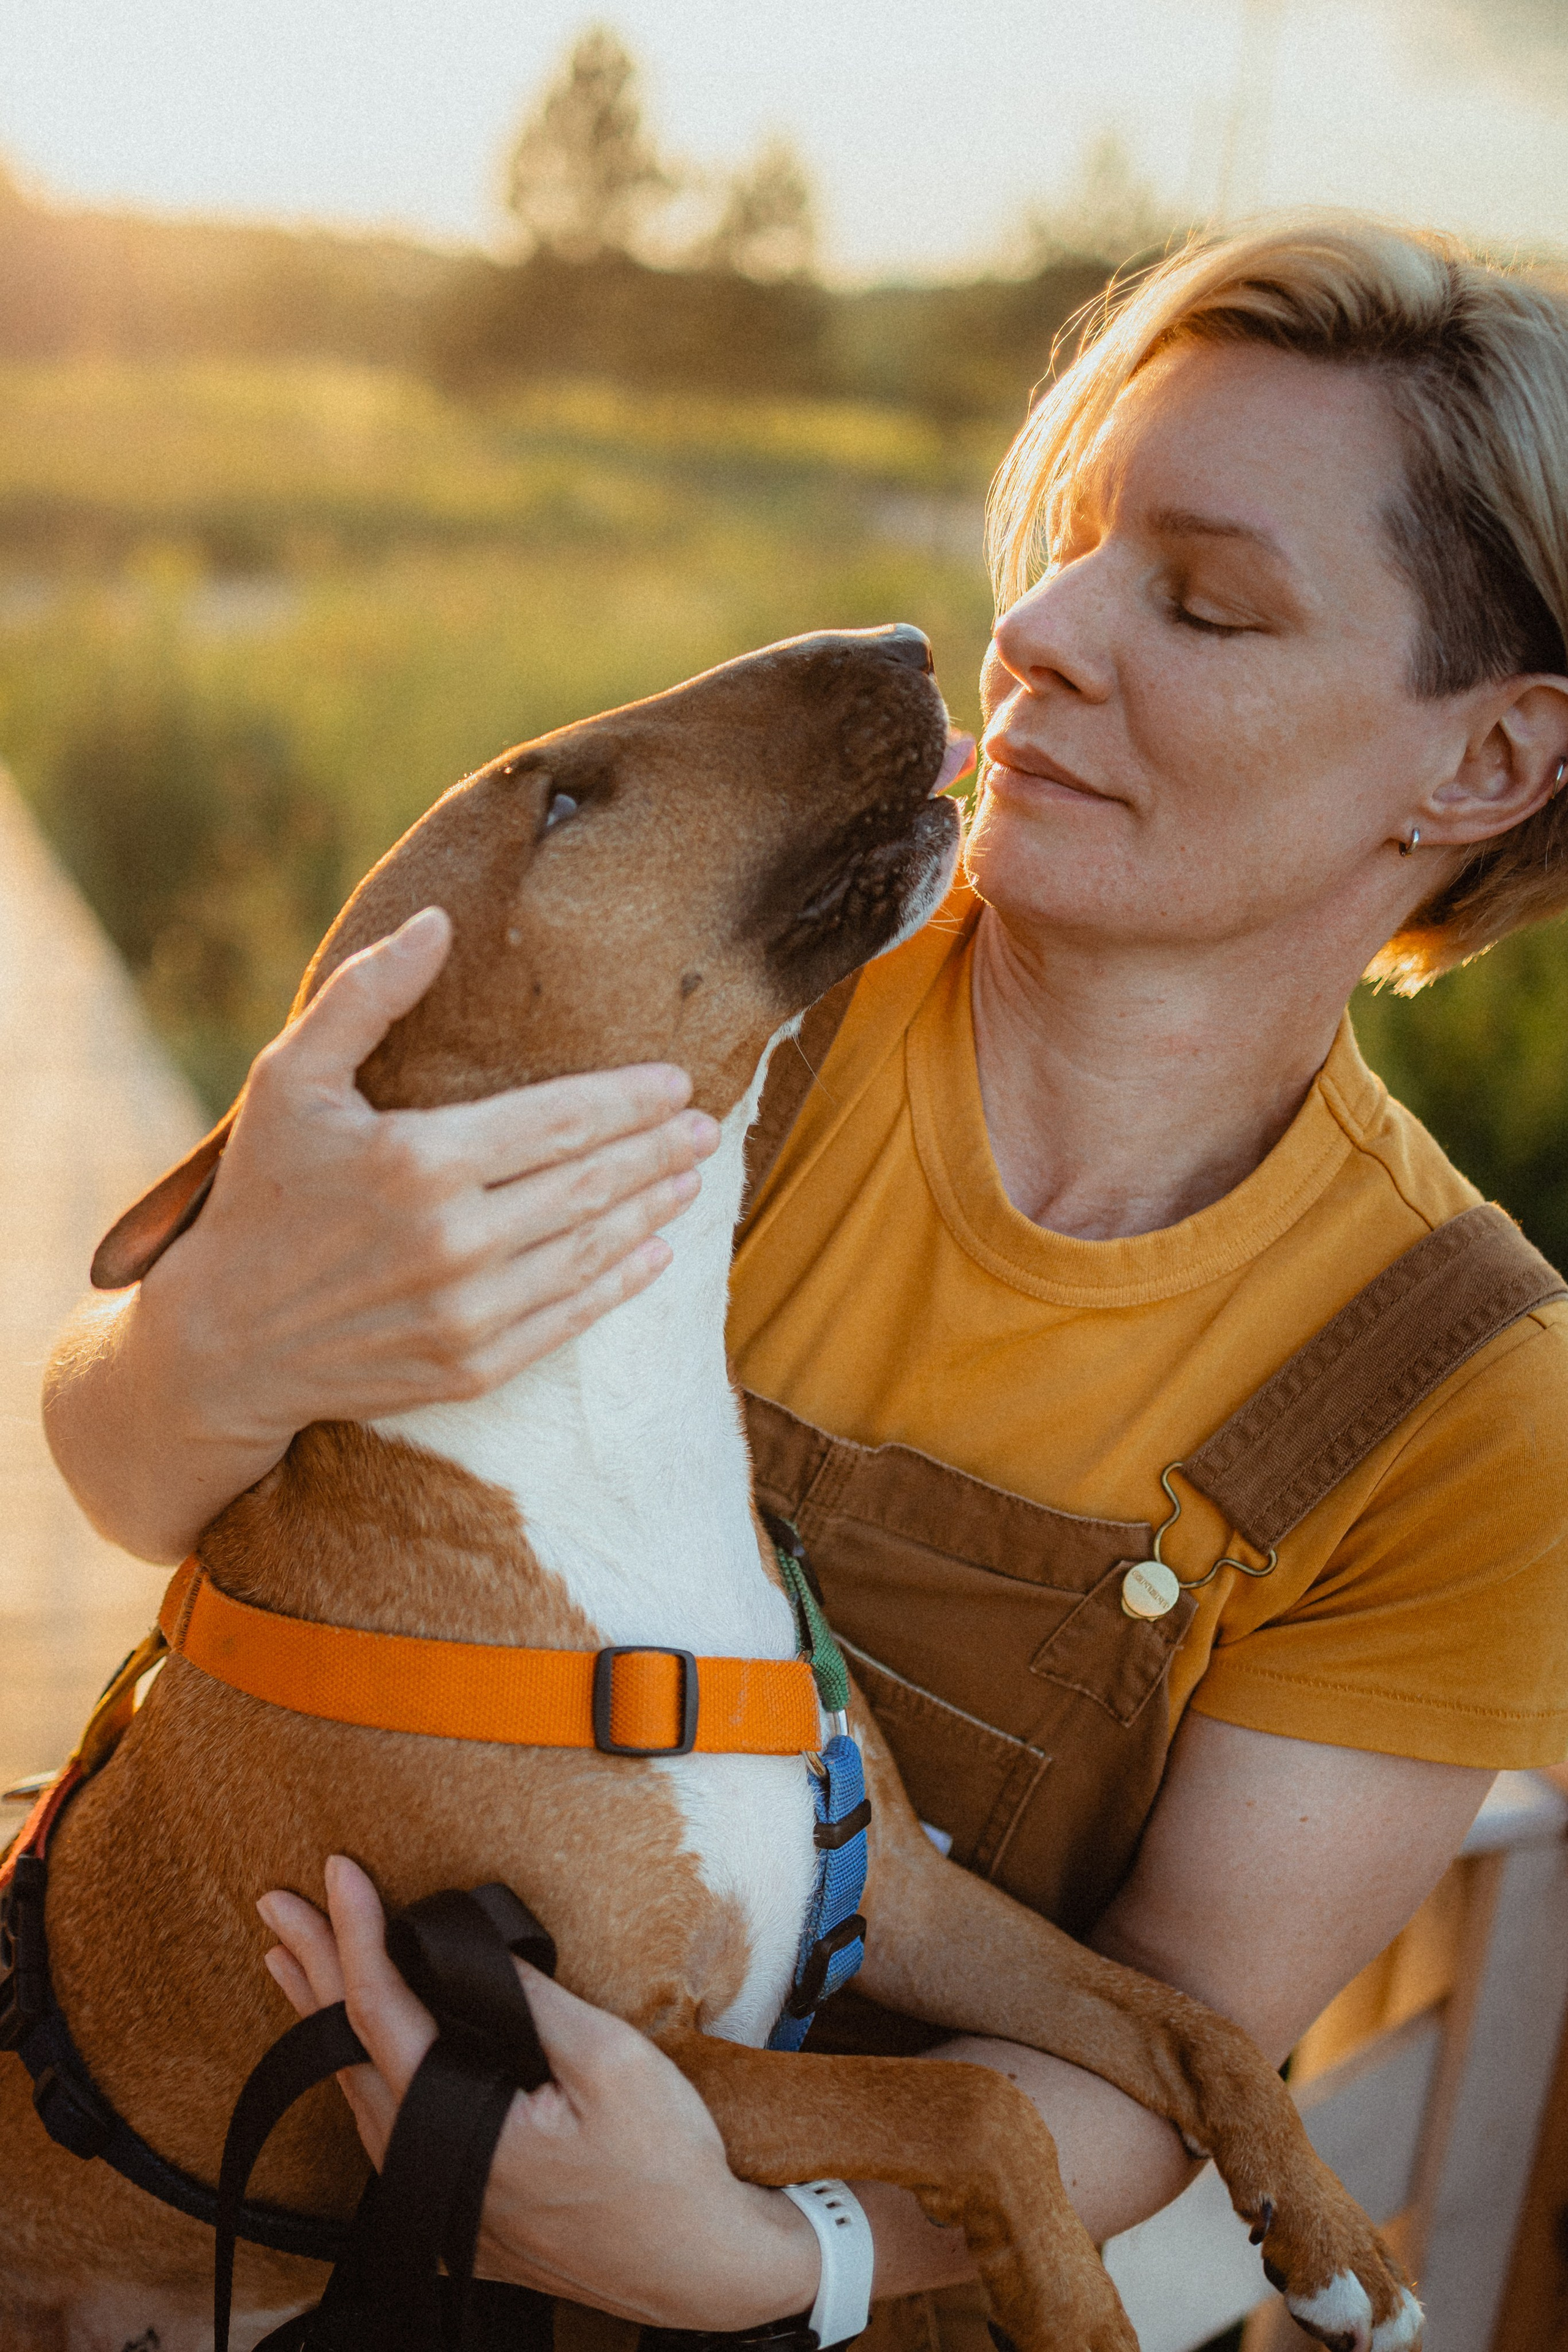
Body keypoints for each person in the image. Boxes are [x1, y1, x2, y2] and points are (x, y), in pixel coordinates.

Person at [43, 216, 1568, 2342]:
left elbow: (1182, 2029)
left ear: (1484, 764)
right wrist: (209, 1341)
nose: (1035, 630)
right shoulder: (697, 999)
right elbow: (126, 1468)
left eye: (1205, 603)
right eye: (1072, 544)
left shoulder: (1463, 1404)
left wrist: (781, 2257)